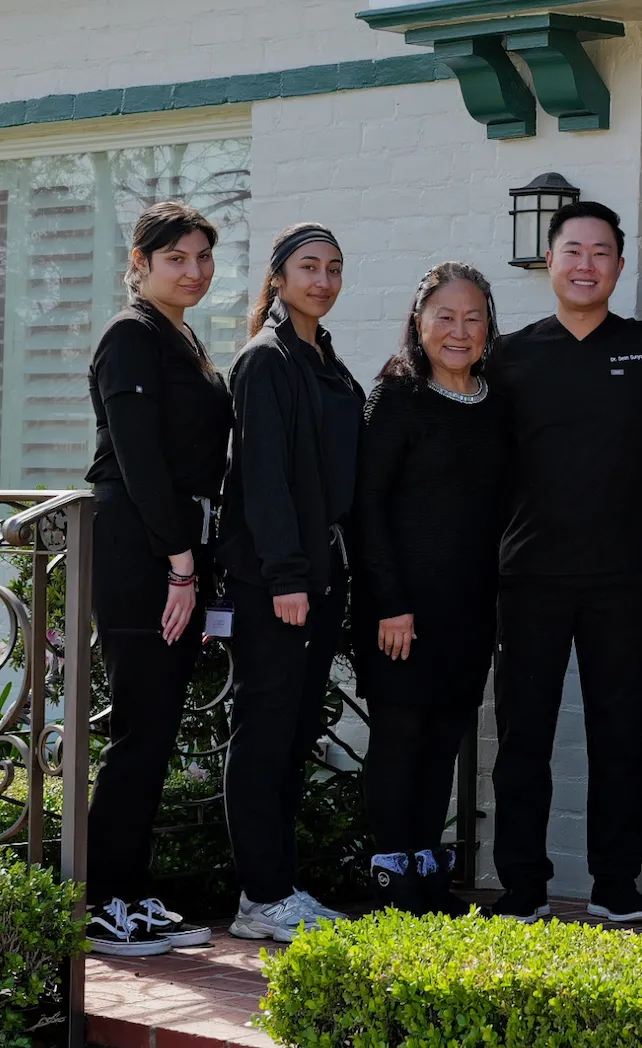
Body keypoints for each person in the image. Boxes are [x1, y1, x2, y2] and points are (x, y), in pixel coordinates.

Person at [487, 201, 642, 925]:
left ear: (620, 266)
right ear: (550, 262)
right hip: (527, 574)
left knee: (619, 735)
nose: (587, 263)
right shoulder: (510, 354)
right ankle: (522, 887)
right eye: (573, 250)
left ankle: (614, 885)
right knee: (523, 736)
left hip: (620, 574)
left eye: (601, 252)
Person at [82, 202, 228, 956]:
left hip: (174, 551)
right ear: (140, 263)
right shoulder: (130, 335)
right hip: (140, 550)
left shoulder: (182, 338)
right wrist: (178, 565)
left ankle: (132, 893)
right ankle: (105, 901)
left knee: (157, 726)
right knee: (141, 729)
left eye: (204, 257)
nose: (194, 270)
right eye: (177, 257)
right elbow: (139, 460)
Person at [218, 222, 364, 942]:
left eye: (335, 269)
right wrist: (285, 574)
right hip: (279, 581)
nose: (324, 281)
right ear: (278, 277)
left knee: (298, 729)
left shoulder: (325, 362)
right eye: (309, 267)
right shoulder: (267, 360)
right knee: (266, 729)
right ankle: (261, 894)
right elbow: (264, 479)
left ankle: (279, 884)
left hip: (320, 577)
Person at [353, 262, 507, 916]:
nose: (459, 330)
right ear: (419, 322)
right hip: (401, 611)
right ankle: (391, 874)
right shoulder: (395, 399)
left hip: (468, 609)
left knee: (444, 739)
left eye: (473, 318)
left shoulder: (496, 403)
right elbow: (366, 508)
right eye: (446, 316)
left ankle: (425, 868)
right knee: (401, 737)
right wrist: (390, 602)